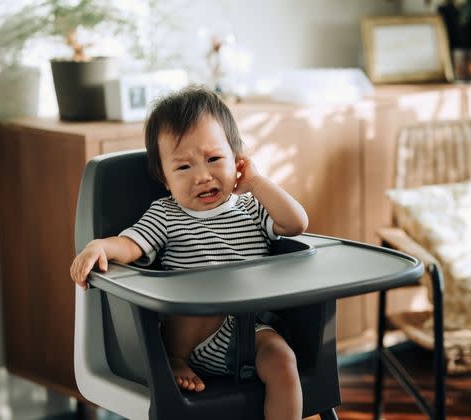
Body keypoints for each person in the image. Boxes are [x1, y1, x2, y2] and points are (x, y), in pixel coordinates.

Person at [70, 86, 308, 419]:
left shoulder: (252, 207)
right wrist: (100, 245)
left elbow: (296, 223)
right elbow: (131, 245)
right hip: (190, 336)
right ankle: (173, 359)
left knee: (284, 361)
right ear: (164, 178)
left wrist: (255, 181)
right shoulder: (166, 215)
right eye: (183, 168)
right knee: (200, 293)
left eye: (214, 159)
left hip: (248, 332)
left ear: (237, 159)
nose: (202, 176)